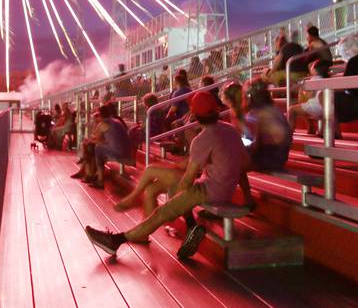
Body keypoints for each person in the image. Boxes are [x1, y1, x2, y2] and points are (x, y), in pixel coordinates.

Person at [87, 91, 246, 259]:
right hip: (222, 187)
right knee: (154, 188)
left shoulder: (202, 139)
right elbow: (244, 165)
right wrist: (246, 196)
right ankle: (188, 226)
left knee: (161, 213)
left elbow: (187, 179)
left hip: (207, 190)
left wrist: (173, 204)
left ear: (195, 115)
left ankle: (115, 241)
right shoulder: (231, 130)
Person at [242, 79, 291, 172]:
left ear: (250, 97)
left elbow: (253, 145)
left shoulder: (254, 114)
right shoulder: (275, 109)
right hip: (282, 157)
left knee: (230, 153)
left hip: (268, 160)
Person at [79, 103, 131, 188]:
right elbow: (103, 139)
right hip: (127, 151)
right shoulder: (116, 121)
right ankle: (91, 174)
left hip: (118, 153)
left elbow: (94, 138)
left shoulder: (103, 123)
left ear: (101, 114)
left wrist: (87, 141)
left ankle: (99, 180)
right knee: (95, 147)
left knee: (97, 148)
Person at [288, 59, 328, 134]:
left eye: (312, 67)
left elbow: (309, 96)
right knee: (303, 105)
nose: (310, 68)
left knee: (292, 110)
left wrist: (301, 90)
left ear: (315, 70)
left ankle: (289, 131)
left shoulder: (313, 80)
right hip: (325, 107)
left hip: (316, 107)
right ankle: (314, 129)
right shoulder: (326, 79)